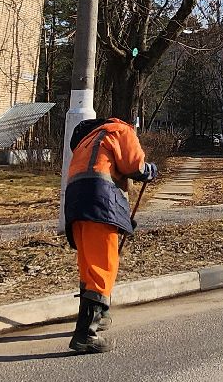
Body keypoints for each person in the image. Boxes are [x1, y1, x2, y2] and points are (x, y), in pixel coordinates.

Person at [61, 116, 158, 354]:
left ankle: (99, 316)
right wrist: (150, 170)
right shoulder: (120, 130)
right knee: (103, 266)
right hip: (99, 201)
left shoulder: (88, 140)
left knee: (88, 264)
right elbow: (134, 166)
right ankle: (86, 334)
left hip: (75, 203)